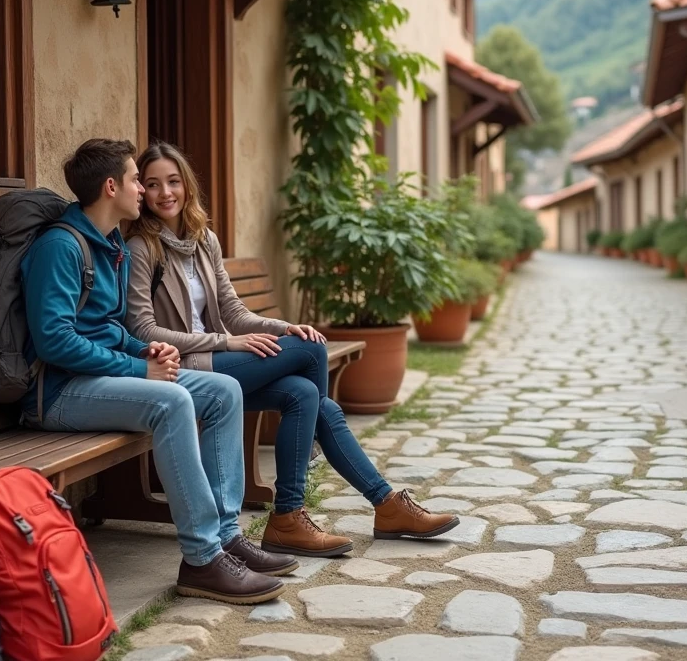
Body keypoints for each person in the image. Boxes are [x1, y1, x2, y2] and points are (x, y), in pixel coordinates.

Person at [124, 141, 459, 558]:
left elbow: (232, 308)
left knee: (303, 391)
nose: (164, 193)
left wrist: (283, 326)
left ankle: (305, 514)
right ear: (142, 192)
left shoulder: (203, 240)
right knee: (312, 359)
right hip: (187, 368)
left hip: (220, 364)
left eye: (173, 181)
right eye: (152, 184)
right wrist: (225, 340)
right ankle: (351, 505)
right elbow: (142, 330)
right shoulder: (141, 248)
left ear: (187, 186)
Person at [21, 138, 297, 604]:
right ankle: (202, 558)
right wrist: (135, 366)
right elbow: (55, 341)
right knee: (172, 402)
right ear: (112, 187)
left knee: (224, 390)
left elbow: (109, 328)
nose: (143, 191)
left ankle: (226, 536)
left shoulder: (111, 246)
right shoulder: (61, 248)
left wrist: (147, 351)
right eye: (135, 179)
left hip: (102, 380)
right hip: (59, 393)